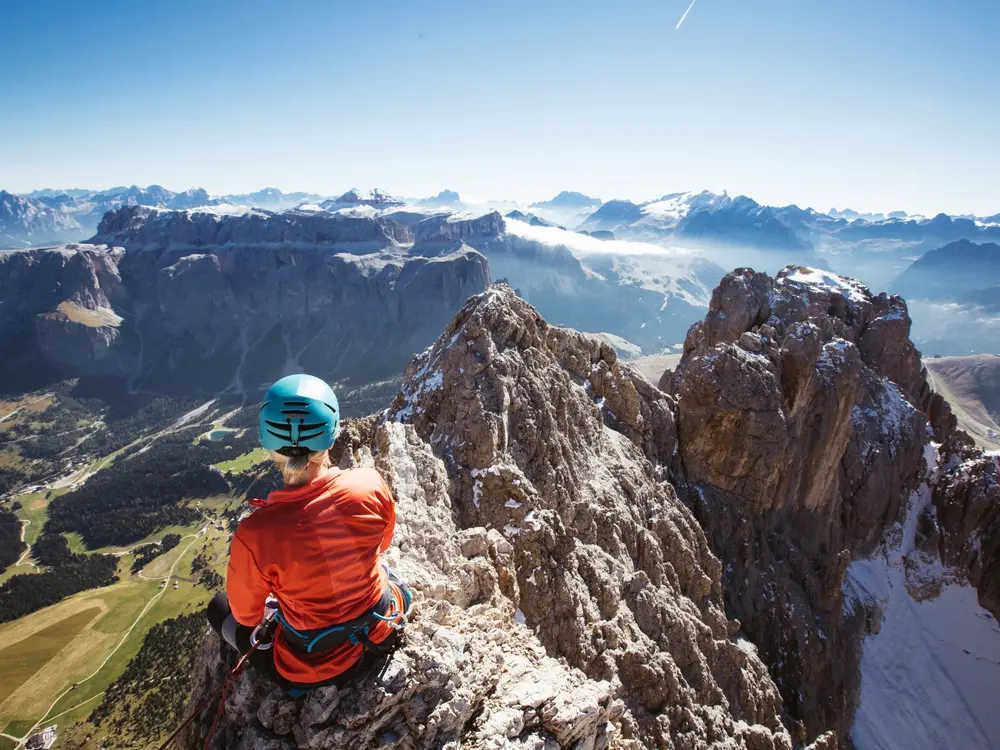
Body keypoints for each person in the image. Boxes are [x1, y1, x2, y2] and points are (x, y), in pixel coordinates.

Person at [207, 374, 411, 692]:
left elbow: (247, 616)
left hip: (318, 666)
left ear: (269, 443)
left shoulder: (256, 534)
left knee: (219, 608)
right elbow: (382, 543)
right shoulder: (369, 483)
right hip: (382, 628)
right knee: (384, 573)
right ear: (330, 434)